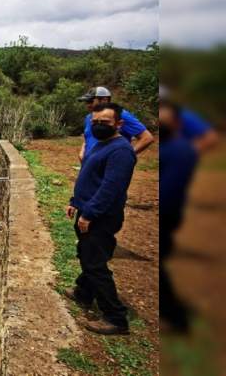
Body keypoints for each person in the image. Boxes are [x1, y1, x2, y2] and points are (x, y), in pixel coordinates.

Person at [65, 102, 136, 335]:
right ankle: (83, 293)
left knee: (94, 263)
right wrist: (75, 201)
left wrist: (89, 213)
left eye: (104, 122)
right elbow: (90, 178)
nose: (98, 126)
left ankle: (116, 318)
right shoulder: (103, 145)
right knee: (88, 255)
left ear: (118, 123)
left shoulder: (121, 151)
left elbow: (110, 188)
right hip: (89, 211)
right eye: (95, 122)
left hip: (101, 217)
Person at [158, 101, 199, 333]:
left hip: (169, 214)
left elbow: (169, 192)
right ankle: (177, 312)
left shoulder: (180, 150)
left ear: (176, 123)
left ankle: (177, 317)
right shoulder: (172, 148)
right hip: (170, 214)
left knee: (163, 270)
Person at [77, 86, 153, 162]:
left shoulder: (120, 115)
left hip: (110, 165)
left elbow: (147, 138)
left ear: (104, 100)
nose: (88, 105)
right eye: (86, 102)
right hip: (90, 164)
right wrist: (82, 152)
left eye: (90, 101)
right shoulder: (89, 117)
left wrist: (126, 155)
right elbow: (88, 136)